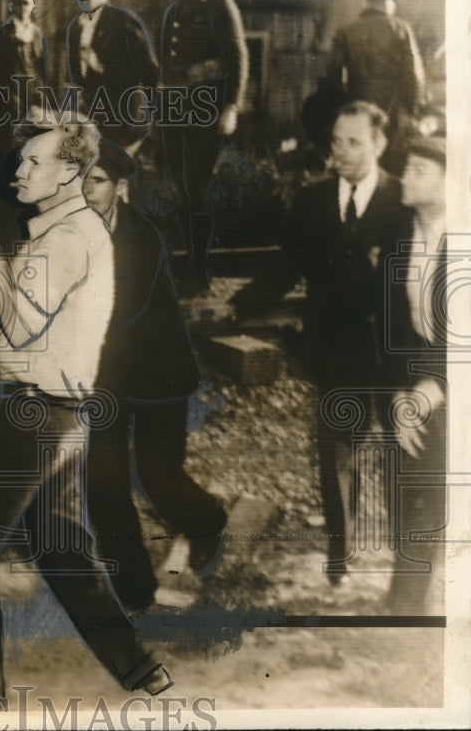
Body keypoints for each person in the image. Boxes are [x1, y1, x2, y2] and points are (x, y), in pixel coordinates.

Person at [0, 117, 173, 711]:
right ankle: (140, 667)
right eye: (21, 160)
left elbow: (19, 326)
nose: (19, 170)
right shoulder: (69, 230)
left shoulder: (63, 239)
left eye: (33, 162)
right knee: (62, 547)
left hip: (36, 417)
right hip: (61, 417)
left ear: (69, 172)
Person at [230, 102, 413, 584]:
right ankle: (339, 558)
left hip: (393, 353)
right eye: (336, 140)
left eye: (354, 141)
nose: (341, 151)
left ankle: (409, 565)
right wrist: (238, 305)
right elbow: (285, 266)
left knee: (403, 455)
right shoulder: (312, 202)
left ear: (379, 144)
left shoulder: (404, 200)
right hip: (336, 350)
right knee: (336, 457)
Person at [81, 140, 224, 614]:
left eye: (97, 181)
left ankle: (207, 521)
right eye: (79, 180)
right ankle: (134, 591)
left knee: (157, 476)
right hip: (105, 375)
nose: (85, 190)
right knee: (102, 480)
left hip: (158, 373)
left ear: (120, 188)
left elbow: (117, 312)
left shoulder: (142, 238)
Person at [159, 0, 249, 295]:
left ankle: (199, 270)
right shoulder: (172, 9)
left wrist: (231, 106)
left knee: (195, 188)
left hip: (206, 112)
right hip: (173, 113)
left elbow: (237, 58)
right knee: (181, 189)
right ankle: (191, 266)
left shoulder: (220, 6)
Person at [383, 134, 447, 614]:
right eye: (407, 168)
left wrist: (432, 389)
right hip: (416, 369)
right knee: (407, 480)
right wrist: (400, 393)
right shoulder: (403, 233)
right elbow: (392, 324)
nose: (405, 177)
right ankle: (406, 599)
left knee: (437, 487)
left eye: (419, 171)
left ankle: (413, 602)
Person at [63, 0, 159, 152]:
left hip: (124, 124)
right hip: (91, 123)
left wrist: (101, 67)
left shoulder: (123, 22)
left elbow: (150, 74)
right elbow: (76, 79)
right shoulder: (74, 28)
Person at [329, 0, 425, 166]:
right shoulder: (401, 28)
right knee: (391, 160)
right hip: (393, 110)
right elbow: (414, 74)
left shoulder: (346, 31)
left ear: (368, 2)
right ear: (387, 2)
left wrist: (343, 108)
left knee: (361, 157)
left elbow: (333, 76)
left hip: (358, 106)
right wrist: (412, 111)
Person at [0, 0, 50, 119]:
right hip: (11, 93)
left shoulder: (38, 34)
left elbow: (42, 67)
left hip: (34, 92)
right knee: (15, 125)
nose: (22, 8)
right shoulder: (1, 33)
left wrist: (42, 92)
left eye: (26, 3)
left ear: (33, 6)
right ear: (12, 6)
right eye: (18, 3)